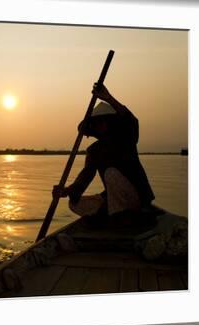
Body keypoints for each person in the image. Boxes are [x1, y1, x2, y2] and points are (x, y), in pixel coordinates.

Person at [53, 83, 155, 226]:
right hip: (114, 201)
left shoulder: (125, 137)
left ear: (110, 122)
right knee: (75, 204)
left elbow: (131, 121)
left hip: (136, 198)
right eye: (96, 123)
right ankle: (113, 215)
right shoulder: (93, 150)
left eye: (102, 121)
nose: (99, 125)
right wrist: (66, 191)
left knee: (111, 174)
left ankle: (118, 218)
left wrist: (108, 98)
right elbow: (86, 176)